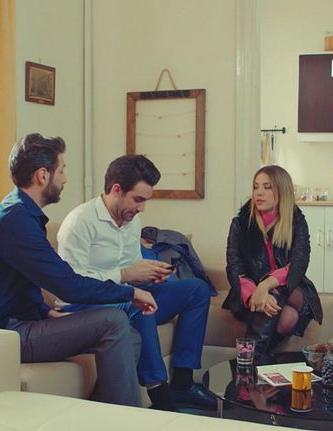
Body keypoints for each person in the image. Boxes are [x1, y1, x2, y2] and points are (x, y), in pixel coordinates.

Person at [0, 133, 158, 407]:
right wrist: (130, 292)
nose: (65, 178)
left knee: (131, 337)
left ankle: (97, 415)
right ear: (43, 175)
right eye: (62, 170)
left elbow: (20, 281)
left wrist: (45, 311)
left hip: (22, 323)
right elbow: (69, 285)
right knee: (114, 320)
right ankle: (126, 421)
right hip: (3, 335)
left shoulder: (22, 214)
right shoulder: (15, 221)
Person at [56, 154, 215, 411]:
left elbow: (133, 268)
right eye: (138, 199)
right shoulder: (80, 222)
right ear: (116, 189)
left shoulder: (131, 220)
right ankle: (160, 396)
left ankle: (183, 383)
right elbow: (71, 284)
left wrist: (152, 274)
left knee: (197, 290)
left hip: (126, 296)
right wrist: (126, 276)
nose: (142, 208)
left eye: (145, 200)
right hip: (86, 306)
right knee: (138, 303)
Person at [222, 165, 323, 358]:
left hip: (289, 287)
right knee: (288, 318)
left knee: (277, 292)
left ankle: (250, 358)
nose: (258, 193)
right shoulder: (240, 223)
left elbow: (299, 262)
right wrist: (255, 293)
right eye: (256, 186)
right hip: (248, 292)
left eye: (267, 187)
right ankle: (259, 359)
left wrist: (266, 285)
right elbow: (234, 266)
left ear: (282, 191)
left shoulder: (296, 221)